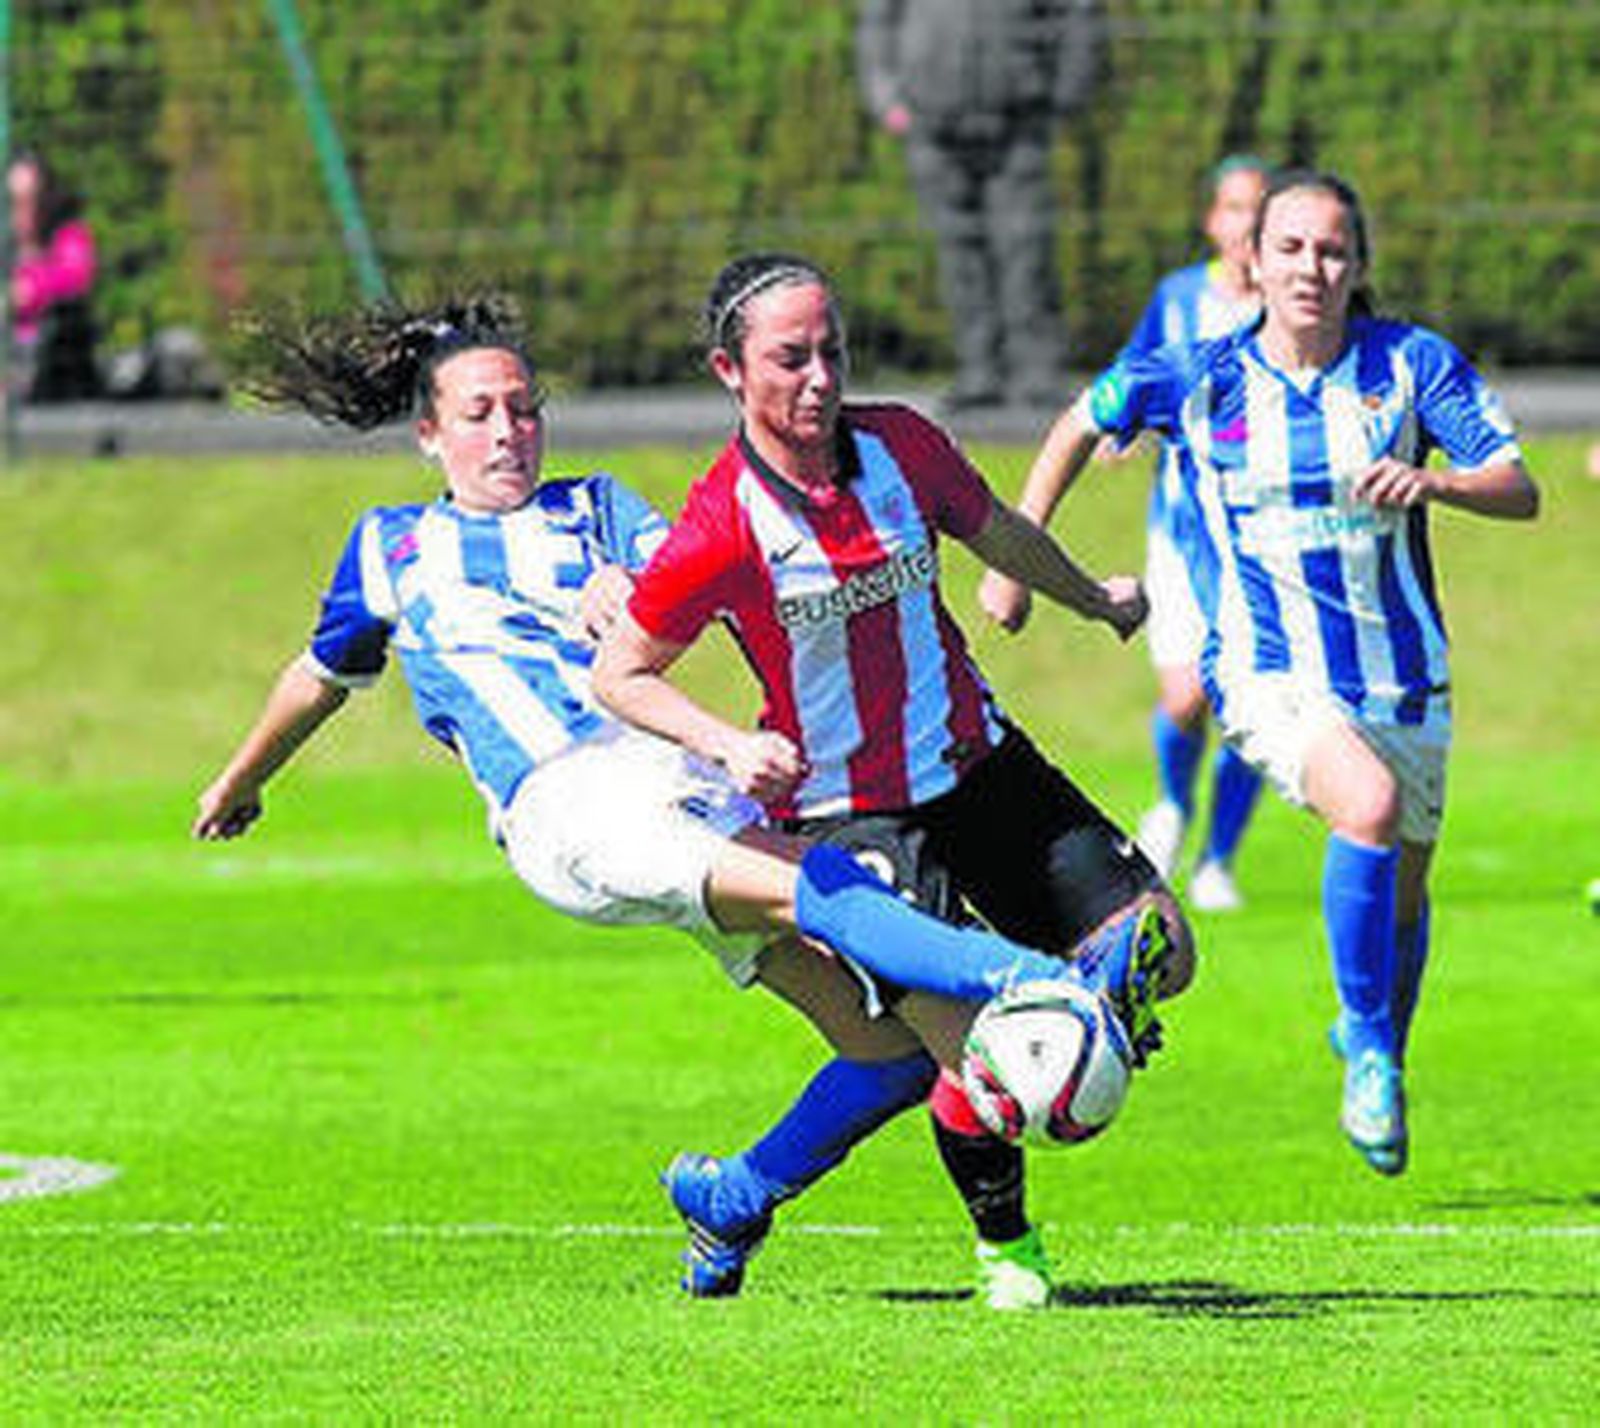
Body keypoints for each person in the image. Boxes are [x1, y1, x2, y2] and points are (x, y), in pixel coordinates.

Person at [192, 293, 1165, 1307]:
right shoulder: (389, 547)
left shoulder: (598, 506)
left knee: (895, 1053)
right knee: (823, 887)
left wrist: (631, 592)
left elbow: (694, 577)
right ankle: (1036, 979)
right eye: (478, 414)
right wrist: (240, 780)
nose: (507, 433)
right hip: (570, 806)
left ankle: (731, 1197)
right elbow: (319, 676)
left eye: (523, 409)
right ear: (428, 432)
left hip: (681, 790)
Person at [592, 253, 1195, 1310]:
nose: (819, 377)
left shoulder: (902, 447)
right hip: (847, 813)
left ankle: (738, 1194)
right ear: (730, 371)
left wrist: (1091, 597)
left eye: (831, 350)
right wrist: (730, 745)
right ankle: (1010, 1252)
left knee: (1162, 953)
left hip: (979, 765)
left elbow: (994, 527)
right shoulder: (722, 524)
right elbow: (621, 673)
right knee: (963, 1049)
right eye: (790, 358)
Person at [980, 170, 1539, 1176]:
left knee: (1404, 896)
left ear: (1357, 262)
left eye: (1330, 250)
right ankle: (1367, 1047)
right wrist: (1015, 564)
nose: (1310, 268)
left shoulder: (1410, 366)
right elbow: (1077, 421)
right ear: (1253, 261)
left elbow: (1517, 485)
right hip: (1264, 667)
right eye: (1289, 248)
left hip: (1404, 672)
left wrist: (1438, 481)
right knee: (1363, 809)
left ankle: (1375, 1038)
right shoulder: (1199, 374)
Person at [994, 155, 1274, 912]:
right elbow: (1130, 374)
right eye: (1236, 208)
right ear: (1214, 221)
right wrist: (1121, 431)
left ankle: (1219, 860)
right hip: (1183, 536)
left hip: (1265, 546)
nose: (1247, 224)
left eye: (1261, 209)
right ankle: (1176, 802)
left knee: (1250, 705)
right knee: (1186, 698)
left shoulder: (1296, 312)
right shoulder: (1180, 300)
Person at [855, 0, 1104, 412]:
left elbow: (1078, 14)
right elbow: (877, 22)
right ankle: (978, 371)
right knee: (958, 251)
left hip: (1020, 119)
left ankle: (1037, 373)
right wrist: (886, 99)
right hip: (932, 123)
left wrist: (1065, 94)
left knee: (1027, 250)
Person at [7, 149, 99, 402]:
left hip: (50, 362)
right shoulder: (7, 246)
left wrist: (28, 289)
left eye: (30, 199)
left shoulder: (68, 235)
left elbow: (75, 277)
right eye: (13, 201)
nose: (21, 211)